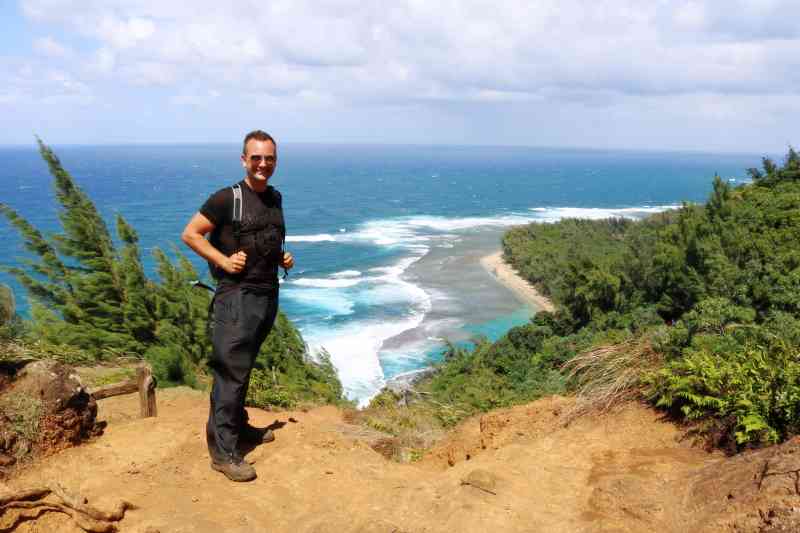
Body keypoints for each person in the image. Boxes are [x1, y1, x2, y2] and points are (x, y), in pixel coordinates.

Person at [181, 130, 294, 482]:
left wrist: (282, 258)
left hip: (265, 295)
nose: (263, 164)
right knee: (230, 373)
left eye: (269, 158)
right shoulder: (227, 199)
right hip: (236, 297)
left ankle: (239, 428)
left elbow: (268, 239)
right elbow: (191, 233)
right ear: (244, 159)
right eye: (256, 158)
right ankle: (224, 452)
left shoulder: (274, 198)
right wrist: (223, 260)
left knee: (242, 369)